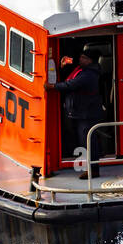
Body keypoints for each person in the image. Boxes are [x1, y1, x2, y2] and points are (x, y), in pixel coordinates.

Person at [47, 45, 104, 179]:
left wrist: (52, 87)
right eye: (81, 56)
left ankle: (93, 170)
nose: (80, 59)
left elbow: (70, 85)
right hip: (81, 112)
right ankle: (89, 166)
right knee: (84, 139)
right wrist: (63, 65)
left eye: (84, 58)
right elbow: (70, 75)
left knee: (89, 142)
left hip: (87, 114)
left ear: (90, 61)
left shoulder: (89, 74)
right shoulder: (82, 69)